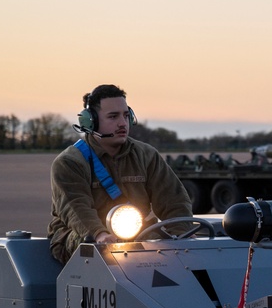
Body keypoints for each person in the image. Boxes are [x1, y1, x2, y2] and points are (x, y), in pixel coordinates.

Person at [48, 84, 193, 263]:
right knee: (93, 246)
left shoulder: (146, 155)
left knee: (163, 244)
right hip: (82, 236)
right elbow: (76, 208)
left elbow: (174, 200)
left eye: (126, 115)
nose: (122, 123)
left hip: (137, 234)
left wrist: (180, 241)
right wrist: (100, 234)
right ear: (90, 121)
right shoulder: (70, 162)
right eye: (113, 116)